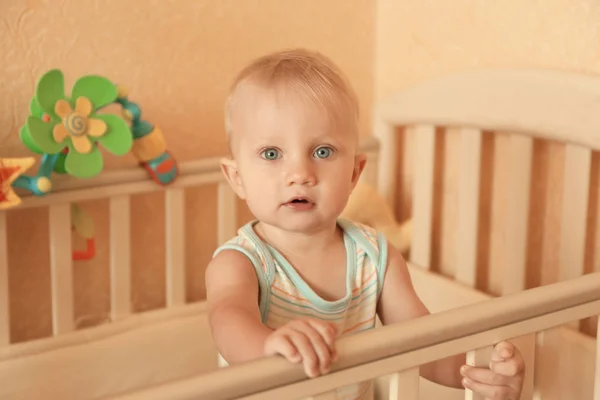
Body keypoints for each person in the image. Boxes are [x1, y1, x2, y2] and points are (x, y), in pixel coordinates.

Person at [205, 48, 525, 400]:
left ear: (355, 173)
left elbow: (418, 341)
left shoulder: (374, 257)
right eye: (271, 153)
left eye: (322, 151)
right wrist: (268, 347)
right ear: (236, 178)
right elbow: (228, 322)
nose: (300, 174)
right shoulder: (240, 262)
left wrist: (476, 372)